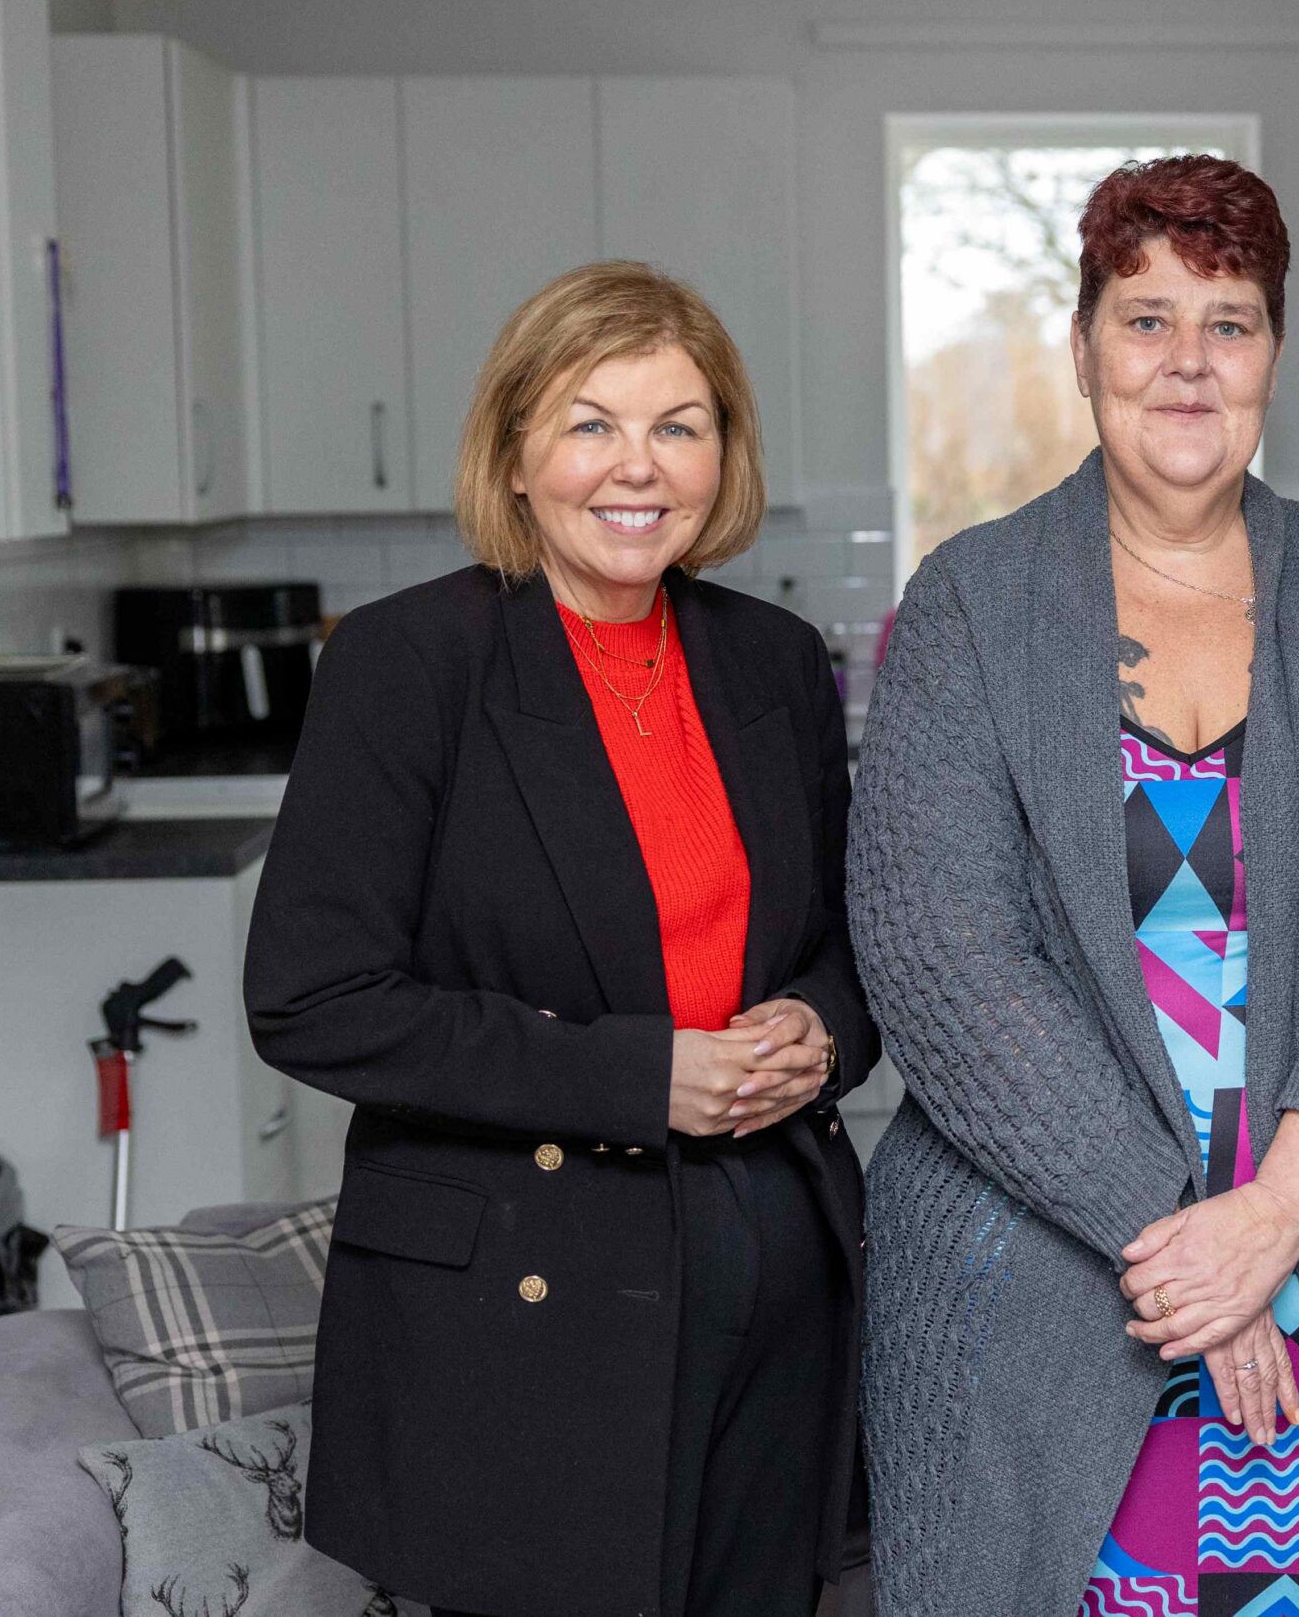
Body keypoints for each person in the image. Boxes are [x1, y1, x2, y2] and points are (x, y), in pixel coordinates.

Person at [849, 155, 1299, 1617]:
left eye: (1228, 322)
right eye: (1145, 319)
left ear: (1274, 355)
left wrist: (1274, 1217)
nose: (1188, 361)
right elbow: (940, 959)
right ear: (1084, 349)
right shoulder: (970, 602)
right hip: (1052, 1271)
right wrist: (1191, 1250)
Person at [244, 261, 875, 1617]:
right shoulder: (410, 663)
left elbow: (851, 941)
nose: (637, 466)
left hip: (773, 1267)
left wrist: (821, 1026)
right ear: (516, 454)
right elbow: (314, 998)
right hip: (522, 1301)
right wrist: (641, 1077)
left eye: (678, 425)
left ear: (723, 454)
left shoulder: (772, 659)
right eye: (591, 423)